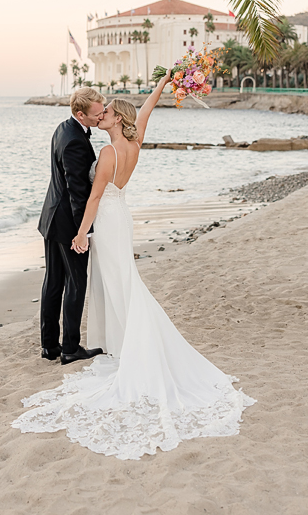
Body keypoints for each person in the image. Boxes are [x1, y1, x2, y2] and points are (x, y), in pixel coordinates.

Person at [14, 75, 255, 460]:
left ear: (114, 119)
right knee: (123, 282)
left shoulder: (109, 153)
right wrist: (162, 83)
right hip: (122, 218)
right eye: (99, 111)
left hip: (105, 222)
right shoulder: (135, 139)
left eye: (106, 112)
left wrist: (80, 234)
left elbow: (92, 197)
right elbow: (146, 109)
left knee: (116, 283)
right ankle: (118, 342)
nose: (102, 115)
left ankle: (125, 345)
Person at [37, 87, 106, 365]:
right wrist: (83, 232)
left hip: (51, 217)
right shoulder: (76, 141)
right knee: (76, 283)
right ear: (80, 114)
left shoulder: (63, 128)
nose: (102, 115)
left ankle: (49, 346)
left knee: (53, 282)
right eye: (97, 112)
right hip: (68, 223)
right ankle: (70, 348)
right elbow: (78, 191)